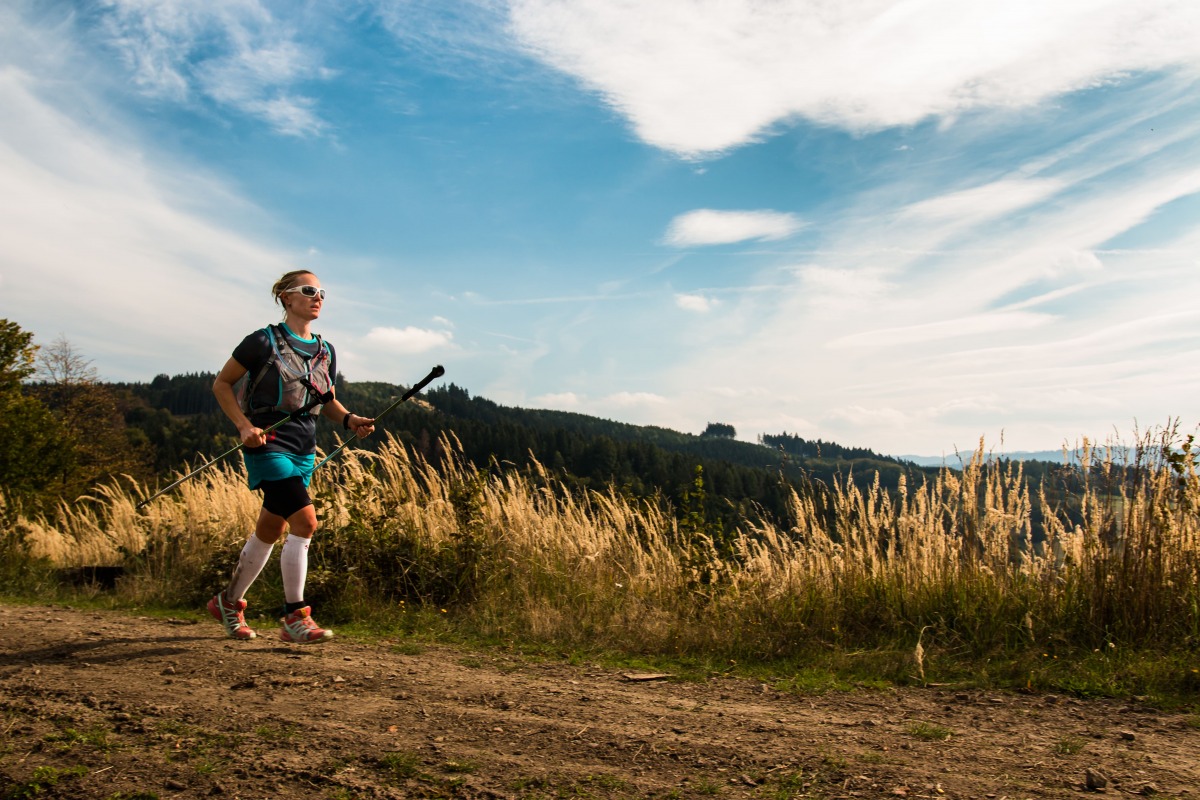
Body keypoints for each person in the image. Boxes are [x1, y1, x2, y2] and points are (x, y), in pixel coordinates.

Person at [208, 270, 374, 643]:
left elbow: (325, 398)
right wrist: (243, 426)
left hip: (304, 448)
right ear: (286, 297)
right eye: (309, 290)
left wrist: (349, 419)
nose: (318, 297)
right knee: (306, 523)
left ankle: (228, 602)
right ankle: (294, 617)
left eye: (322, 292)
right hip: (268, 445)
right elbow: (221, 384)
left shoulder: (325, 350)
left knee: (272, 528)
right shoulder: (261, 341)